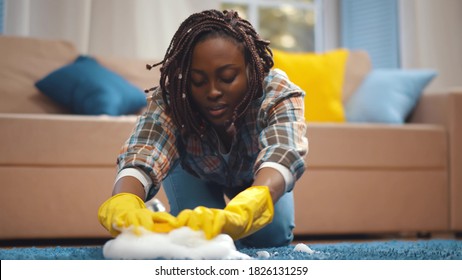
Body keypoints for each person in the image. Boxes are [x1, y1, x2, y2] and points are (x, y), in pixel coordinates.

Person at [98, 9, 308, 248]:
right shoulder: (175, 99)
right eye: (197, 81)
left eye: (227, 77)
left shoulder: (277, 91)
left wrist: (254, 202)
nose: (212, 92)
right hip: (195, 173)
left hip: (257, 174)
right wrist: (124, 200)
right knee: (198, 238)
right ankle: (156, 210)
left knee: (272, 236)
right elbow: (146, 148)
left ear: (252, 69)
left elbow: (284, 150)